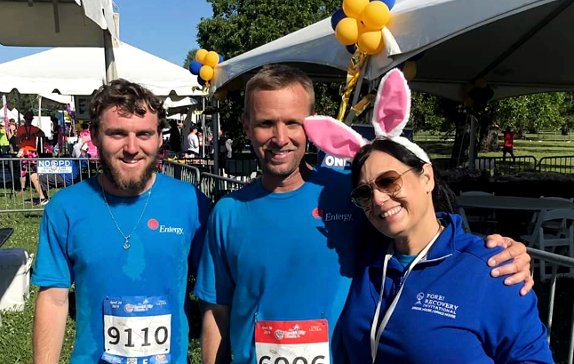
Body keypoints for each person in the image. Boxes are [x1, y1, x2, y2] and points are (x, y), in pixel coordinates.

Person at [194, 64, 533, 364]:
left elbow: (419, 235)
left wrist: (496, 254)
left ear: (311, 126)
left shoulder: (353, 193)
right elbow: (217, 310)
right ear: (246, 126)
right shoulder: (228, 213)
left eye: (292, 123)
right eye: (266, 123)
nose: (280, 138)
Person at [305, 69, 552, 363]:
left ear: (426, 178)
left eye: (388, 181)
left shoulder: (493, 268)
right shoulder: (366, 259)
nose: (379, 199)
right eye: (364, 193)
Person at [31, 78, 212, 363]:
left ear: (159, 138)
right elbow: (53, 299)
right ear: (95, 135)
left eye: (144, 134)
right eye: (117, 134)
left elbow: (213, 299)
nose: (131, 147)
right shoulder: (65, 208)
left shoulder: (190, 202)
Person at [15, 111, 44, 193]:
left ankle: (35, 187)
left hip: (29, 151)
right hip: (28, 152)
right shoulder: (25, 128)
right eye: (28, 119)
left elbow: (42, 134)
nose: (28, 121)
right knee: (25, 170)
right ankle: (24, 188)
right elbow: (42, 134)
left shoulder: (32, 128)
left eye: (29, 119)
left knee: (31, 170)